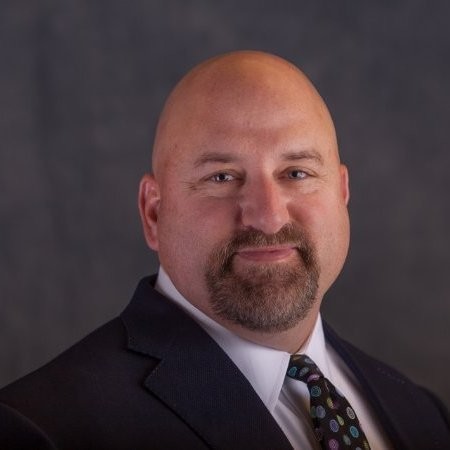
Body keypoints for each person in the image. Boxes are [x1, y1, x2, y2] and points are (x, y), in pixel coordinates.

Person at [0, 51, 448, 450]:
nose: (268, 217)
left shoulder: (421, 414)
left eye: (296, 173)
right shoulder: (42, 430)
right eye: (222, 177)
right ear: (154, 213)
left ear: (342, 194)